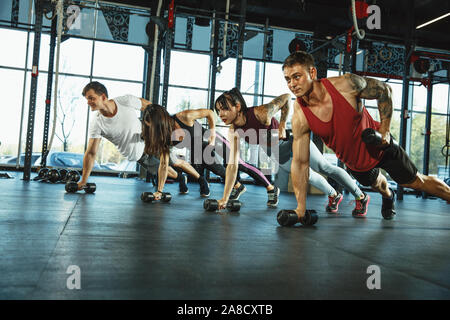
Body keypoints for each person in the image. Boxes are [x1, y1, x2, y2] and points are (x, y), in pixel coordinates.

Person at [282, 51, 450, 223]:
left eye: (297, 77)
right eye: (288, 79)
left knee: (414, 182)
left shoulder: (346, 84)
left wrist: (384, 129)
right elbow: (301, 163)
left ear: (312, 73)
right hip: (356, 163)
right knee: (377, 184)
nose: (292, 84)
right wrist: (300, 208)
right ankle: (388, 195)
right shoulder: (300, 115)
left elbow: (384, 90)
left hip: (379, 145)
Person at [214, 88, 367, 213]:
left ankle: (360, 196)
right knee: (308, 176)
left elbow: (287, 97)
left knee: (323, 167)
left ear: (238, 106)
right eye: (218, 111)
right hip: (277, 154)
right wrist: (225, 198)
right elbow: (232, 166)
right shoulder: (234, 131)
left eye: (224, 109)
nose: (221, 115)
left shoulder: (261, 113)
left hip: (293, 141)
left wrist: (281, 125)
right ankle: (334, 195)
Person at [80, 81, 199, 193]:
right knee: (163, 169)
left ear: (103, 97)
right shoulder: (97, 123)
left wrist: (171, 123)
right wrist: (83, 181)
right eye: (87, 99)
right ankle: (181, 177)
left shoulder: (125, 101)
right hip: (138, 154)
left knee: (176, 161)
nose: (88, 102)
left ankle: (201, 180)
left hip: (150, 139)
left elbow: (154, 110)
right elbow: (91, 153)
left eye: (91, 98)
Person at [140, 104, 273, 202]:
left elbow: (209, 113)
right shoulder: (165, 138)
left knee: (240, 165)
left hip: (213, 140)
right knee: (219, 171)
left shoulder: (184, 117)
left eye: (152, 125)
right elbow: (164, 165)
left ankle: (271, 188)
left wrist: (213, 133)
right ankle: (238, 187)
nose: (152, 129)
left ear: (160, 120)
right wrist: (159, 190)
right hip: (201, 151)